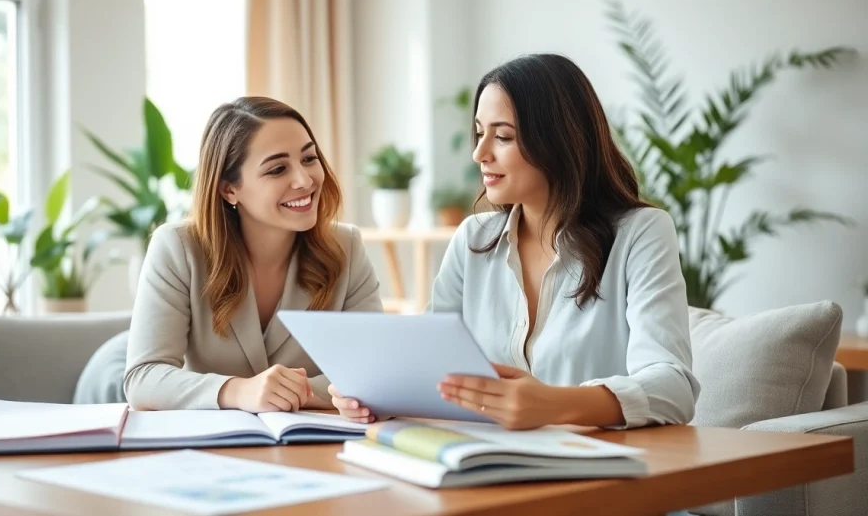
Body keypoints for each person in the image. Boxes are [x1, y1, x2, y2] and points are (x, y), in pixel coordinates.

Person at [329, 54, 700, 431]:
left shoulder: (641, 232)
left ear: (558, 140)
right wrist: (379, 393)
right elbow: (429, 366)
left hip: (597, 460)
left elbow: (673, 387)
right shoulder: (472, 239)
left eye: (503, 136)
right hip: (485, 456)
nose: (479, 153)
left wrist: (552, 404)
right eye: (479, 133)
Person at [124, 96, 383, 412]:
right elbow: (143, 378)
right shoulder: (178, 247)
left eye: (309, 158)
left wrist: (291, 393)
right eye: (277, 169)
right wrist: (238, 391)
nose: (305, 180)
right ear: (229, 189)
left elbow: (375, 370)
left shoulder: (346, 246)